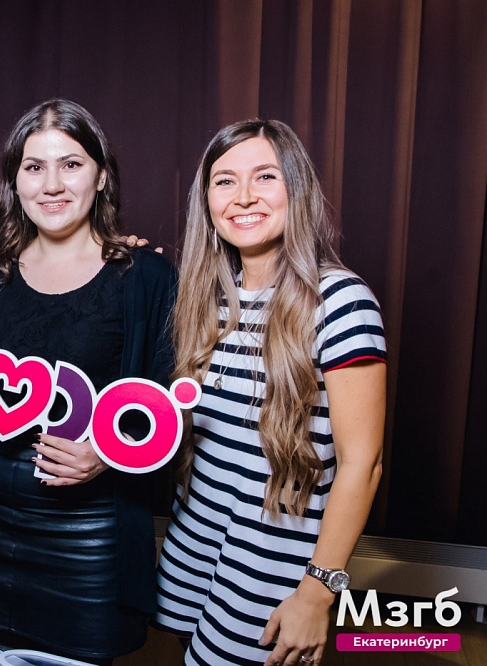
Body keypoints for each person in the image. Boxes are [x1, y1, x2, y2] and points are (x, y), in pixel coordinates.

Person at [0, 99, 177, 665]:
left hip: (92, 533)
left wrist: (107, 453)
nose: (51, 184)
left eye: (70, 164)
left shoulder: (146, 277)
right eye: (34, 167)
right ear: (14, 181)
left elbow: (167, 398)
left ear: (101, 175)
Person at [154, 119, 386, 665]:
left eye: (265, 176)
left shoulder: (340, 301)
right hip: (196, 543)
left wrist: (318, 591)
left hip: (273, 567)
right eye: (225, 181)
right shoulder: (206, 299)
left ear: (296, 189)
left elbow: (364, 463)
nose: (244, 197)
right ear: (207, 201)